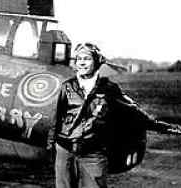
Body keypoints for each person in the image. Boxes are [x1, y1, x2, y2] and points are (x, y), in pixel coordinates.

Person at [46, 42, 134, 188]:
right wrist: (51, 146)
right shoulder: (67, 86)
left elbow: (132, 111)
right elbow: (57, 117)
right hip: (65, 149)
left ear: (97, 61)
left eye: (86, 59)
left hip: (93, 152)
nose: (81, 62)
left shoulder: (110, 89)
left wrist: (162, 126)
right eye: (78, 59)